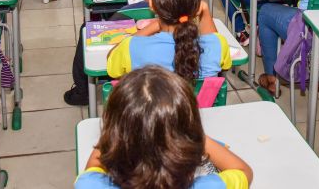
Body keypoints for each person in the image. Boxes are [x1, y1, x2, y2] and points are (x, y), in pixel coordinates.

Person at [74, 66, 253, 189]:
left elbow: (94, 166)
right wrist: (195, 135)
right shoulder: (209, 186)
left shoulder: (90, 185)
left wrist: (117, 128)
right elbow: (243, 171)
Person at [65, 0, 168, 106]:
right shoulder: (182, 16)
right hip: (166, 91)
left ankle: (82, 91)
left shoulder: (124, 14)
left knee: (86, 29)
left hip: (134, 90)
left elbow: (112, 57)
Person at [107, 0, 232, 81]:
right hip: (198, 104)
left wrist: (155, 25)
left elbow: (111, 65)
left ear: (151, 4)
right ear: (197, 7)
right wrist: (205, 10)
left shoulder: (132, 47)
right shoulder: (217, 45)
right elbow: (215, 44)